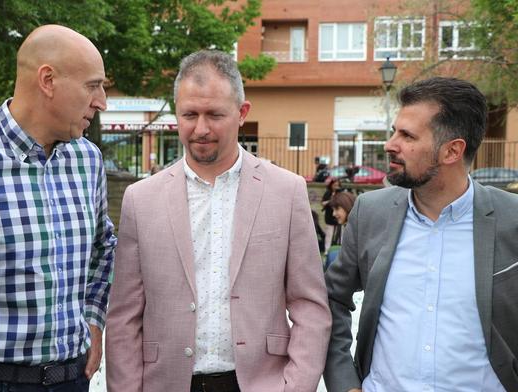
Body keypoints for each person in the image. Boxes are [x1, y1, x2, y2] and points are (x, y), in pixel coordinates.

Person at [105, 50, 331, 392]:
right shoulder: (141, 199)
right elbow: (123, 317)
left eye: (214, 114)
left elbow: (310, 306)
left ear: (242, 113)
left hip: (259, 384)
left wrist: (296, 386)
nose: (201, 128)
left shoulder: (287, 191)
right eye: (189, 114)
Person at [323, 77, 518, 392]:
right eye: (394, 132)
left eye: (407, 135)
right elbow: (331, 298)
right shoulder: (370, 213)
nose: (390, 145)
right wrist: (345, 383)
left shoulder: (514, 220)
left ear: (452, 151)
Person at [0, 25, 117, 392]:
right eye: (93, 86)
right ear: (48, 80)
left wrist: (93, 318)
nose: (102, 102)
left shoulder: (87, 159)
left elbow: (104, 247)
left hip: (71, 380)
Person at [324, 191, 356, 270]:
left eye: (337, 209)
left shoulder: (357, 230)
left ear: (347, 206)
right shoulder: (352, 226)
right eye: (333, 210)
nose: (333, 214)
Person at [321, 177, 342, 251]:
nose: (336, 186)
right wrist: (331, 199)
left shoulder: (340, 193)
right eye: (334, 185)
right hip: (329, 215)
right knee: (329, 233)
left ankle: (340, 249)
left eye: (337, 185)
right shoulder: (328, 192)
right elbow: (323, 203)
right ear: (331, 185)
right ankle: (327, 250)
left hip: (339, 216)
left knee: (341, 234)